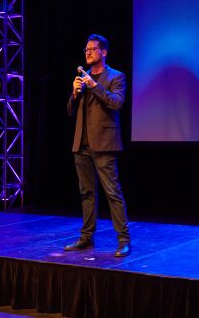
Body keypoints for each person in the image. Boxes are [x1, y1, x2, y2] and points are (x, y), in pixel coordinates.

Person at [64, 34, 131, 257]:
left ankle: (123, 240)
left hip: (104, 144)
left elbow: (116, 102)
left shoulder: (116, 76)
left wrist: (94, 85)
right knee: (86, 193)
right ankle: (86, 237)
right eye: (86, 50)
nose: (88, 52)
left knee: (112, 193)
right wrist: (74, 93)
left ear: (104, 52)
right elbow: (70, 112)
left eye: (92, 49)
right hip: (81, 144)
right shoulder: (82, 79)